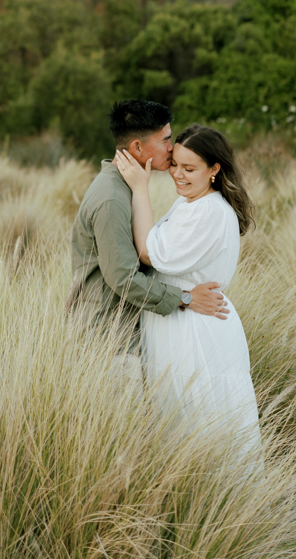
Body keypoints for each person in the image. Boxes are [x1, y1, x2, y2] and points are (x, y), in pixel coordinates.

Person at [115, 122, 261, 448]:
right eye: (176, 165)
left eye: (190, 168)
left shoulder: (209, 211)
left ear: (214, 169)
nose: (178, 174)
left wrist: (140, 189)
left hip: (196, 329)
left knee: (200, 419)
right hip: (180, 316)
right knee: (178, 419)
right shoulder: (190, 203)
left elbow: (148, 252)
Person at [68, 99, 229, 386]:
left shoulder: (126, 187)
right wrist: (187, 298)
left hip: (123, 337)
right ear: (137, 149)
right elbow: (123, 279)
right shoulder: (111, 199)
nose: (172, 146)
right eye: (165, 139)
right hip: (108, 343)